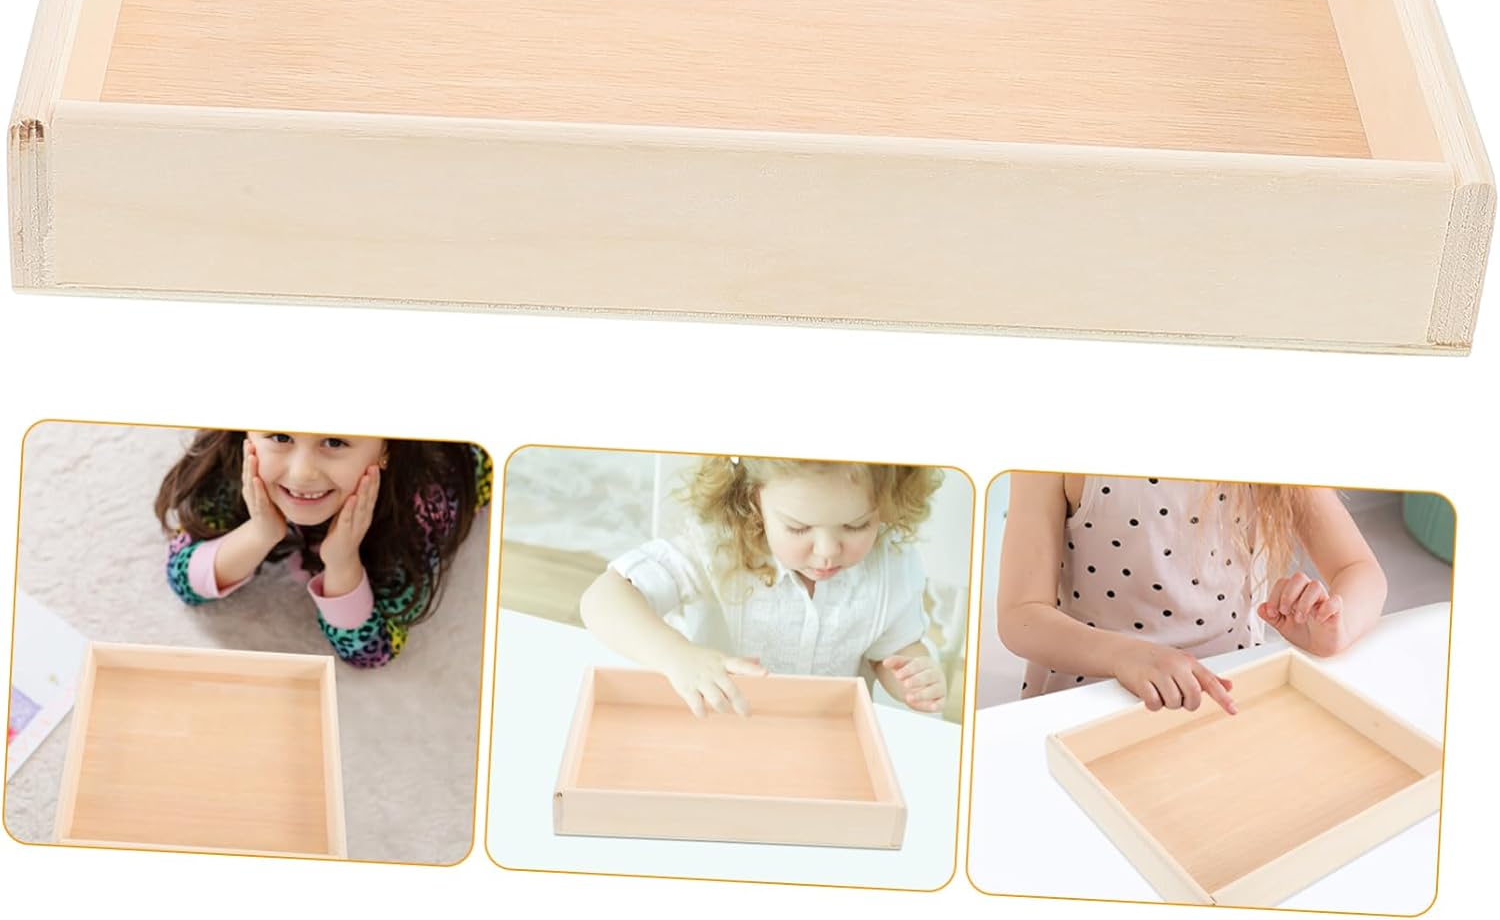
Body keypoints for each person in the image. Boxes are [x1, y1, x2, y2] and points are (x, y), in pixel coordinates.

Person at [580, 456, 948, 716]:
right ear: (752, 497)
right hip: (718, 725)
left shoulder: (891, 563)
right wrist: (677, 656)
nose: (827, 551)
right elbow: (603, 599)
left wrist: (912, 676)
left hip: (825, 737)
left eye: (856, 526)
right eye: (798, 528)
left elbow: (893, 649)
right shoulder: (714, 548)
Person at [995, 473, 1387, 712]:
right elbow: (1021, 614)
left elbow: (1360, 570)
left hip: (1228, 691)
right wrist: (1123, 656)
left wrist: (1337, 626)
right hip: (1092, 695)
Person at [157, 430, 491, 667]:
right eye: (281, 437)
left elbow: (371, 649)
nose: (302, 474)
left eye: (334, 442)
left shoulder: (425, 501)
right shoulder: (234, 458)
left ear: (387, 446)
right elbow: (184, 578)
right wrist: (260, 533)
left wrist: (342, 561)